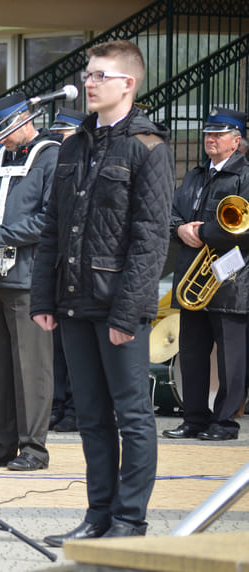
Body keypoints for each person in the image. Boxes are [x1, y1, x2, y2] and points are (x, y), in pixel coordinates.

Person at [31, 40, 174, 543]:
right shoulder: (73, 145)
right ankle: (97, 515)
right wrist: (43, 300)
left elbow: (150, 239)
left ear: (127, 84)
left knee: (132, 416)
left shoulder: (148, 147)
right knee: (91, 416)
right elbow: (53, 228)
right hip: (73, 302)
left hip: (119, 307)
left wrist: (126, 313)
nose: (88, 82)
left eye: (99, 75)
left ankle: (129, 519)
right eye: (87, 74)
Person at [0, 92, 61, 472]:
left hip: (27, 279)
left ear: (24, 119)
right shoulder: (0, 157)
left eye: (3, 128)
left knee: (31, 367)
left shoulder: (50, 155)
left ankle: (33, 448)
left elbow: (51, 218)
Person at [163, 107, 249, 442]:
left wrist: (205, 234)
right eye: (207, 134)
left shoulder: (245, 174)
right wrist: (179, 229)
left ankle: (225, 422)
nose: (210, 139)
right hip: (192, 277)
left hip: (231, 281)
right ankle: (194, 418)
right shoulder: (196, 175)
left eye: (218, 134)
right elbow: (170, 213)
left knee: (231, 358)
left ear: (236, 140)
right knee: (193, 353)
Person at [45, 107, 87, 434]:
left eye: (65, 133)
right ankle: (58, 404)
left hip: (81, 269)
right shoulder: (58, 169)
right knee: (57, 348)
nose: (59, 138)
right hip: (59, 266)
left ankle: (75, 407)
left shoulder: (83, 168)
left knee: (75, 351)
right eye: (57, 133)